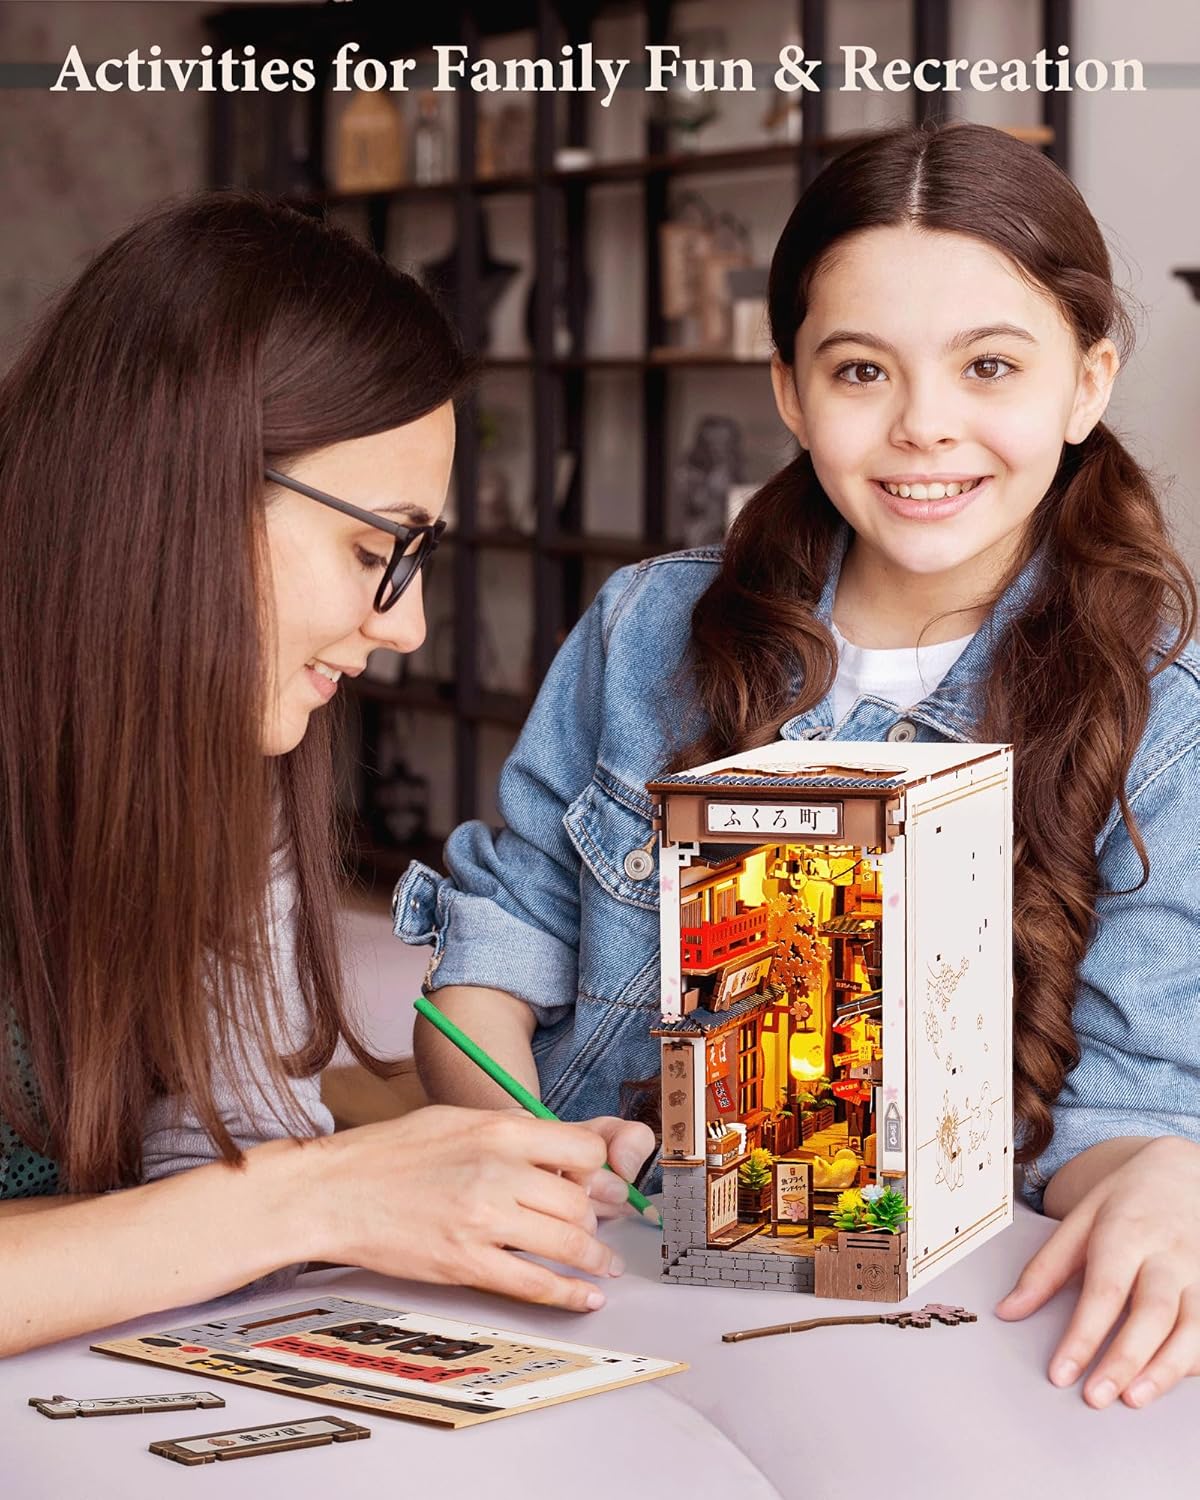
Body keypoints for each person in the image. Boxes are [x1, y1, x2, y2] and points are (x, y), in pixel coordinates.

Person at [398, 124, 1200, 1409]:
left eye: (990, 365)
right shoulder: (647, 630)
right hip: (594, 1289)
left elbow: (1124, 1113)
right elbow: (495, 951)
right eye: (861, 370)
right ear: (788, 390)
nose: (925, 427)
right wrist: (521, 1142)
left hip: (924, 1343)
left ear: (1087, 382)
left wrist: (1166, 1175)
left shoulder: (1163, 711)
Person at [0, 192, 648, 1360]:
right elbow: (252, 1199)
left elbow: (216, 1154)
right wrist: (317, 1194)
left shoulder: (219, 769)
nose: (406, 627)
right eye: (373, 549)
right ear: (175, 483)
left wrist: (471, 1151)